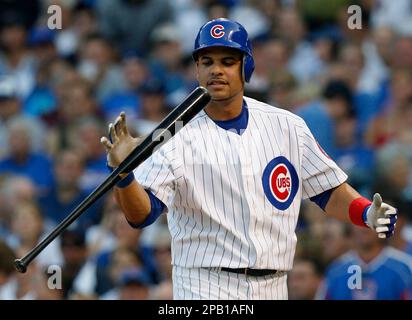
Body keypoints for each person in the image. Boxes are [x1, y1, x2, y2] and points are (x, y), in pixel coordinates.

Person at [100, 18, 398, 300]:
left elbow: (327, 190)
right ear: (197, 70)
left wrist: (364, 213)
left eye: (227, 62)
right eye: (207, 62)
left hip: (274, 284)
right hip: (204, 284)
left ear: (247, 68)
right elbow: (142, 214)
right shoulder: (174, 135)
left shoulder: (287, 126)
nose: (216, 70)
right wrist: (124, 174)